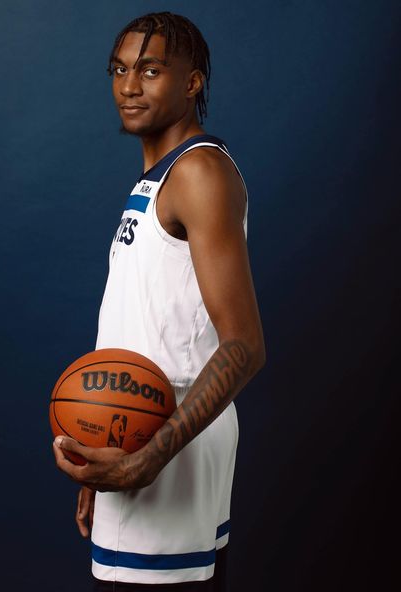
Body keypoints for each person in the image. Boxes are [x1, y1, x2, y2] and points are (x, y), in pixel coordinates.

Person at [53, 11, 266, 591]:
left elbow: (244, 345)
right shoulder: (160, 177)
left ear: (192, 82)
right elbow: (150, 325)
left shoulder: (199, 172)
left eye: (150, 70)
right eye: (119, 70)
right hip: (139, 432)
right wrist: (105, 450)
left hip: (170, 441)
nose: (128, 86)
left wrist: (149, 457)